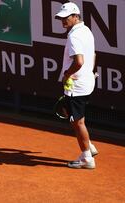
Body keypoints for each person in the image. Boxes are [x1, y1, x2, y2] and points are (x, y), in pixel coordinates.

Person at [55, 2, 98, 169]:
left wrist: (67, 75)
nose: (63, 21)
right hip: (87, 81)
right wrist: (89, 71)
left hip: (76, 86)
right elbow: (93, 54)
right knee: (73, 115)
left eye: (66, 18)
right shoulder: (86, 31)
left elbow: (78, 61)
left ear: (76, 16)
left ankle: (87, 158)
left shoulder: (74, 36)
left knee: (78, 122)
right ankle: (89, 146)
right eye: (61, 18)